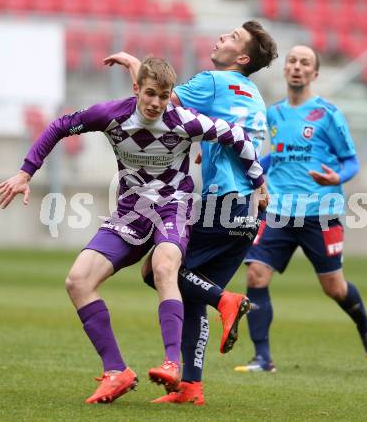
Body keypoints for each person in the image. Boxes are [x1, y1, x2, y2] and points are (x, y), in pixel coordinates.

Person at [0, 57, 264, 403]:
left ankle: (171, 364)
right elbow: (60, 125)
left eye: (164, 96)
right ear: (136, 89)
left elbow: (237, 136)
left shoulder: (185, 122)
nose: (156, 103)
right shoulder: (112, 115)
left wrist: (258, 182)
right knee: (78, 281)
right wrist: (25, 173)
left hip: (172, 209)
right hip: (131, 213)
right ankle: (116, 371)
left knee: (165, 268)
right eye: (150, 94)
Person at [104, 20, 278, 405]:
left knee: (157, 270)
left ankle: (226, 301)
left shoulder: (214, 81)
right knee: (189, 288)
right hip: (250, 207)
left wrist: (134, 63)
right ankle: (191, 387)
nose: (222, 37)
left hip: (223, 200)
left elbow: (158, 103)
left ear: (243, 57)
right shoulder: (254, 95)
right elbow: (241, 137)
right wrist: (212, 150)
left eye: (232, 38)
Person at [234, 45, 367, 373]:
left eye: (305, 63)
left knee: (334, 287)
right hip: (279, 211)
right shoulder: (273, 114)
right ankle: (262, 358)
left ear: (315, 73)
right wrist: (255, 166)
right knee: (257, 273)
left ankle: (365, 325)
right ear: (285, 69)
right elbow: (280, 154)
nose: (297, 67)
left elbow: (351, 160)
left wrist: (337, 176)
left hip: (321, 210)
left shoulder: (328, 114)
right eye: (292, 61)